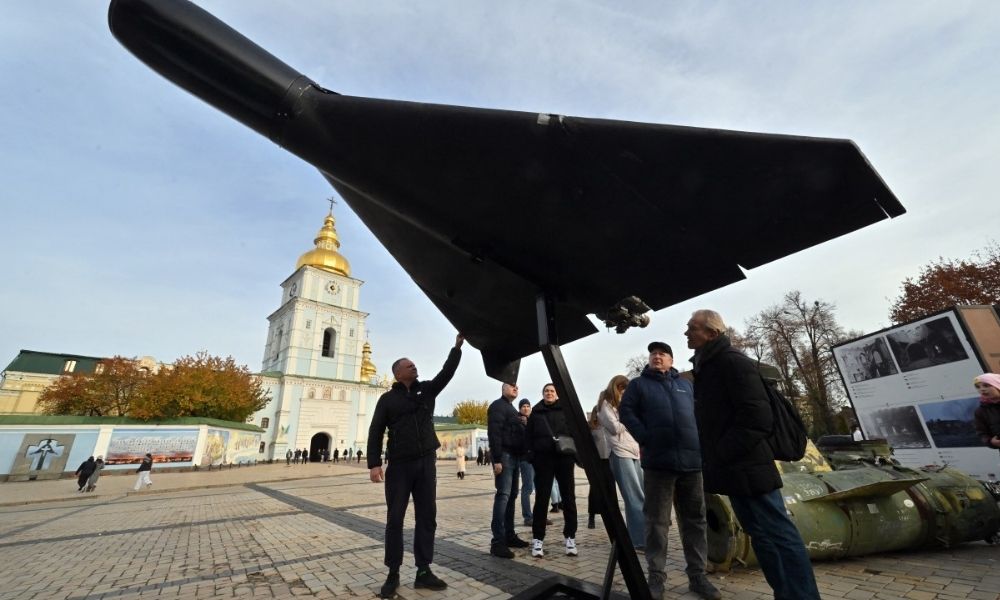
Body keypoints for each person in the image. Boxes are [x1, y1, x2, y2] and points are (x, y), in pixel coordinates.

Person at [686, 309, 819, 600]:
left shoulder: (732, 362)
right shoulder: (708, 366)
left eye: (692, 328)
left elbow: (758, 417)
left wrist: (722, 451)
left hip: (750, 465)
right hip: (734, 468)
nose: (687, 333)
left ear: (712, 333)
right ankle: (784, 593)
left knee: (779, 534)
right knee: (760, 535)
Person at [619, 341, 720, 600]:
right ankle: (656, 577)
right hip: (658, 464)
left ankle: (698, 576)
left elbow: (701, 415)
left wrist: (702, 444)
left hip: (692, 463)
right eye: (653, 353)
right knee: (657, 522)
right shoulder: (638, 385)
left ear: (671, 360)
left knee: (695, 521)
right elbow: (626, 412)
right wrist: (645, 437)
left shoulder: (686, 385)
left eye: (662, 353)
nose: (657, 356)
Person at [367, 334, 464, 598]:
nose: (414, 367)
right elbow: (376, 430)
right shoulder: (387, 400)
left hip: (425, 463)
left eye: (414, 364)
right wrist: (374, 464)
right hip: (399, 465)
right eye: (409, 365)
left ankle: (423, 571)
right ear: (398, 373)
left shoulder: (427, 390)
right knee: (395, 519)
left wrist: (456, 348)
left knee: (427, 517)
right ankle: (393, 573)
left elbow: (447, 373)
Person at [525, 383, 578, 558]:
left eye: (552, 391)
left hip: (564, 458)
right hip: (543, 460)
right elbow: (528, 436)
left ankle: (570, 537)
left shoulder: (566, 410)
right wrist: (532, 456)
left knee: (568, 498)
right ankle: (538, 539)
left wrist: (575, 455)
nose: (549, 393)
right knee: (542, 499)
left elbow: (575, 432)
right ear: (543, 394)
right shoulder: (536, 412)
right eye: (546, 391)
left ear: (557, 394)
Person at [597, 374, 645, 550]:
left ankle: (640, 536)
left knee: (641, 495)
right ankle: (639, 540)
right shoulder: (605, 405)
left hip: (634, 450)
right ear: (615, 388)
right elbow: (615, 427)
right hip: (619, 452)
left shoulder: (624, 406)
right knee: (633, 497)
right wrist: (630, 418)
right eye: (622, 389)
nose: (624, 392)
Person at [487, 383, 531, 558]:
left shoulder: (512, 409)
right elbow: (494, 433)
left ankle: (509, 535)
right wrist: (497, 459)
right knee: (503, 496)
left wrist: (525, 423)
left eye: (517, 387)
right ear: (503, 389)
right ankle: (497, 542)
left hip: (515, 456)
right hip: (504, 456)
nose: (515, 388)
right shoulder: (497, 406)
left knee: (512, 496)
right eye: (511, 386)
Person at [587, 402, 613, 530]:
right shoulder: (591, 427)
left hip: (609, 460)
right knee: (595, 489)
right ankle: (591, 516)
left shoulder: (609, 425)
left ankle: (612, 515)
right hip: (597, 461)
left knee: (610, 488)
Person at [973, 373, 1000, 459]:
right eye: (978, 387)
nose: (982, 389)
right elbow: (981, 433)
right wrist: (991, 441)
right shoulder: (980, 411)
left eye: (986, 385)